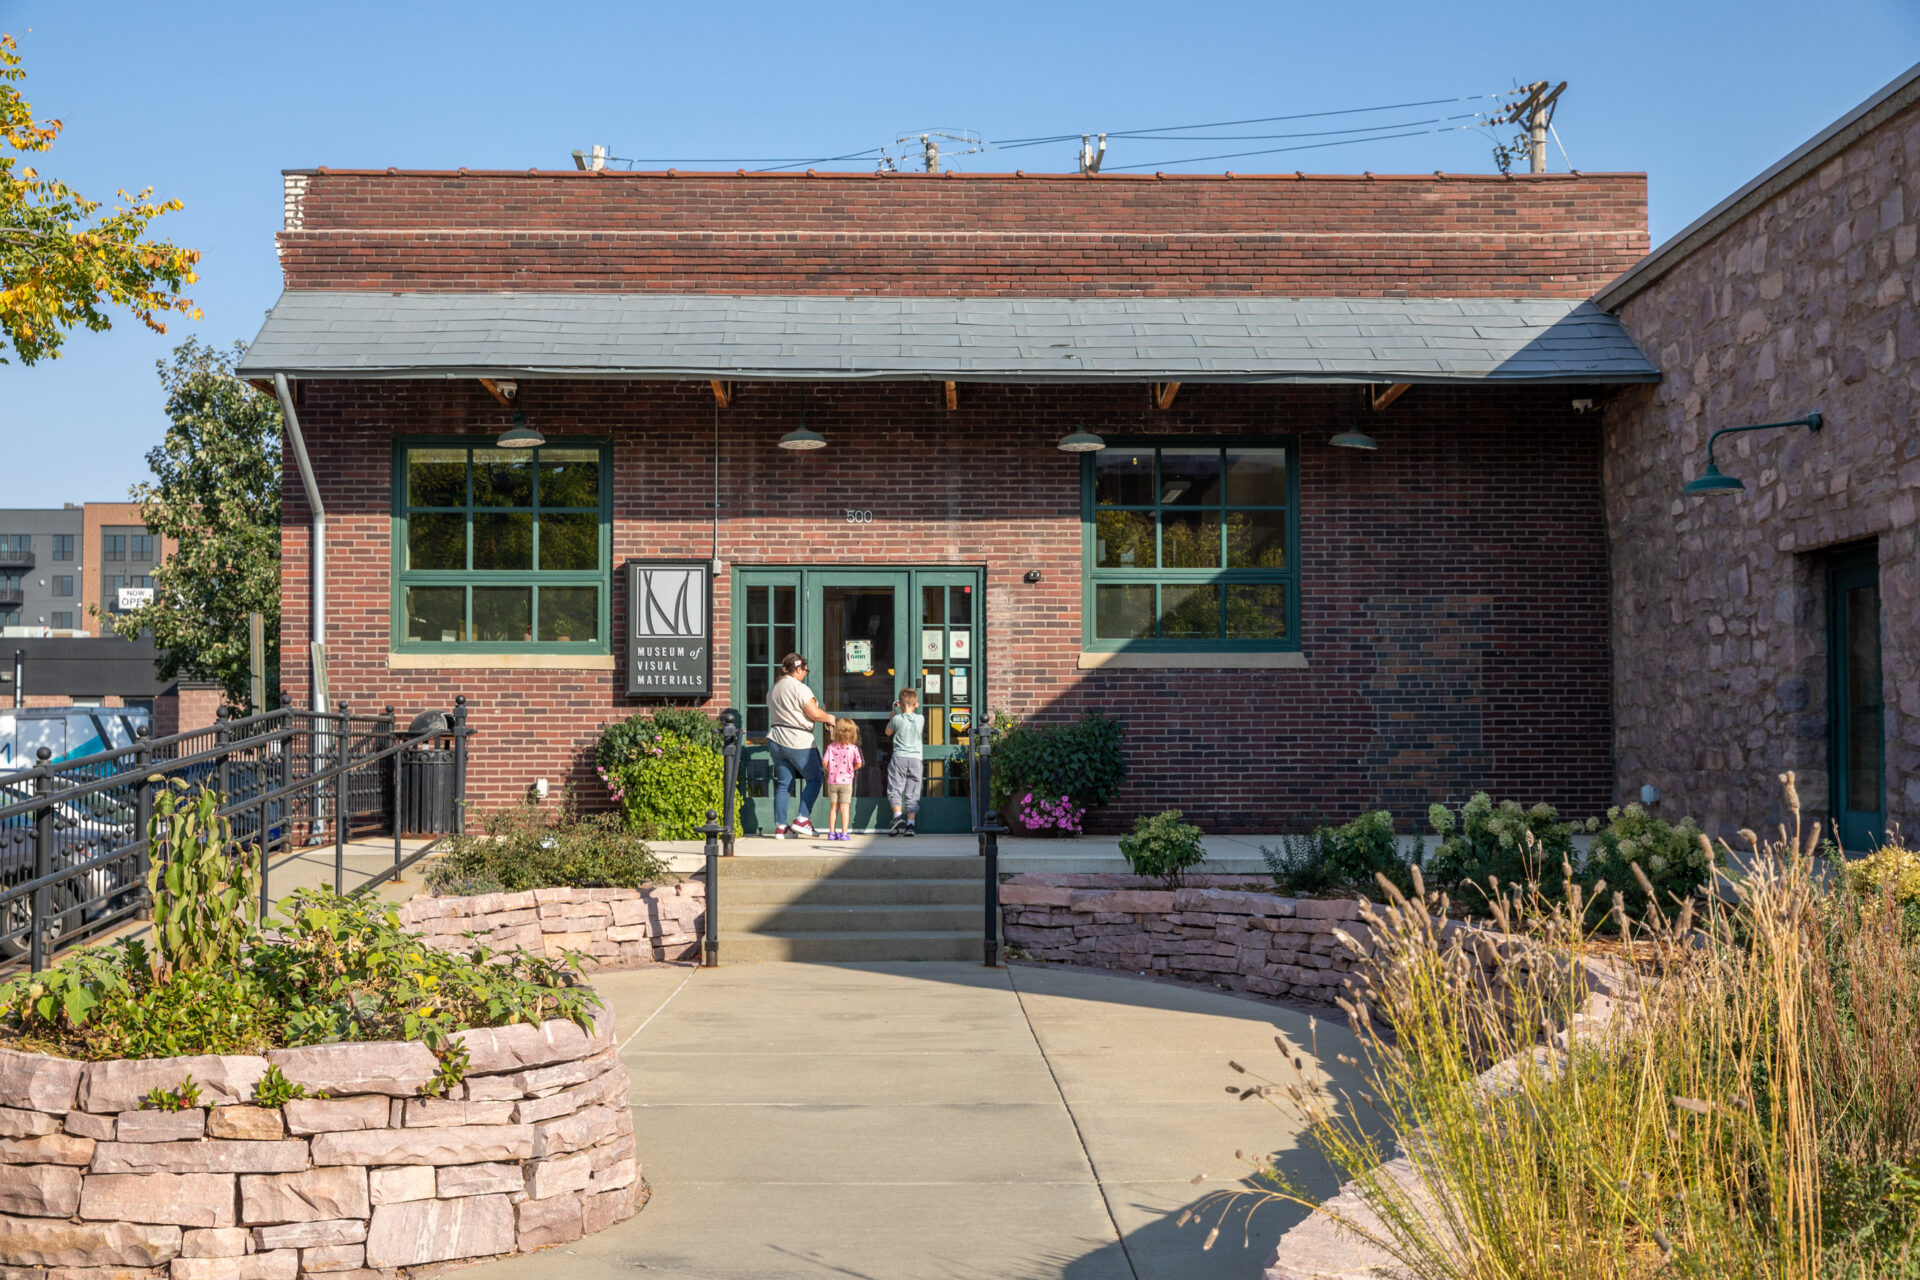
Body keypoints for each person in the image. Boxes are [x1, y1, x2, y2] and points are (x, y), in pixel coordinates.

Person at [767, 653, 834, 839]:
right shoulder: (800, 688)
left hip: (775, 738)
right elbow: (814, 714)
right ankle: (802, 819)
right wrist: (830, 718)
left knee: (784, 783)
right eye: (805, 670)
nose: (805, 674)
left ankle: (781, 827)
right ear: (798, 669)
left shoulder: (774, 688)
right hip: (797, 739)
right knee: (815, 778)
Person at [884, 687, 925, 836]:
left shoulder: (897, 719)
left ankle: (897, 817)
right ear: (916, 704)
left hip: (899, 757)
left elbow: (887, 732)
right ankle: (910, 825)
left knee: (895, 788)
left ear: (899, 705)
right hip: (915, 759)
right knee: (913, 791)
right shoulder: (920, 719)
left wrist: (892, 716)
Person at [822, 718, 864, 842]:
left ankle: (831, 833)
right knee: (845, 809)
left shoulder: (831, 747)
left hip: (832, 781)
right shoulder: (853, 748)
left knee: (833, 808)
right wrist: (851, 770)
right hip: (846, 782)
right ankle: (844, 834)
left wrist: (830, 770)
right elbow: (859, 763)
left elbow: (824, 762)